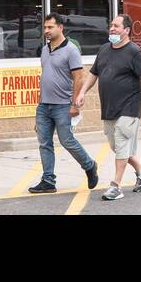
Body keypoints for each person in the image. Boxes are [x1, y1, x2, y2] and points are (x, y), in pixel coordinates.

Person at [74, 14, 141, 201]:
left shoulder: (135, 52)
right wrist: (82, 93)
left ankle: (116, 186)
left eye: (116, 26)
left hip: (129, 107)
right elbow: (93, 74)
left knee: (121, 142)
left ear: (126, 30)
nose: (112, 28)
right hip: (109, 107)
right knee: (117, 147)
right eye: (111, 25)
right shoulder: (104, 49)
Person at [28, 13, 99, 194]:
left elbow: (79, 78)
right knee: (44, 143)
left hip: (63, 105)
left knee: (67, 141)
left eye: (50, 27)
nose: (46, 30)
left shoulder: (71, 50)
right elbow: (46, 76)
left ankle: (89, 165)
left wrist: (75, 105)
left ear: (60, 28)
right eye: (45, 27)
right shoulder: (45, 49)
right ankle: (48, 181)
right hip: (44, 105)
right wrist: (40, 106)